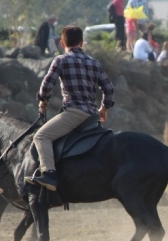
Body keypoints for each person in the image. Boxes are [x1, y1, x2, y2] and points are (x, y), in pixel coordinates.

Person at [26, 26, 115, 191]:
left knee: (41, 136)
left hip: (74, 113)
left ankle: (50, 174)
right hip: (92, 116)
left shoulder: (60, 60)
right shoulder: (94, 62)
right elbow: (109, 88)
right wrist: (104, 108)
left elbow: (46, 85)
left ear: (62, 42)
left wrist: (43, 100)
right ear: (82, 42)